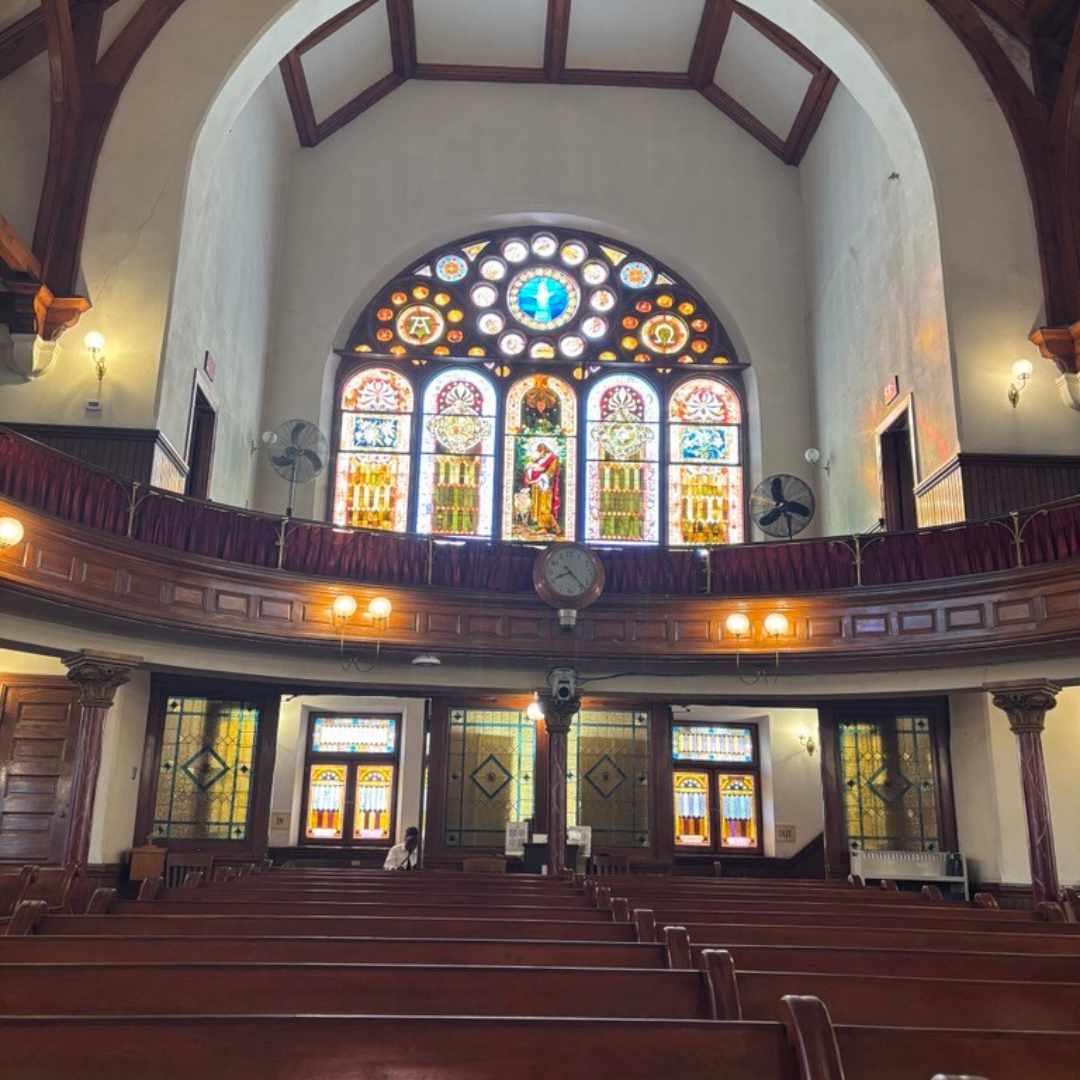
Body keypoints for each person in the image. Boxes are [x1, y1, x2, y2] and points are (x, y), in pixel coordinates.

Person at [522, 442, 561, 533]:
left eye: (540, 451)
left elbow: (550, 472)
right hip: (536, 486)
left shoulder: (553, 458)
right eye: (538, 452)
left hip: (545, 485)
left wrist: (536, 479)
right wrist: (529, 471)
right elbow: (533, 467)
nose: (540, 454)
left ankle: (553, 526)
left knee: (544, 506)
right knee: (538, 506)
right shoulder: (540, 459)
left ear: (544, 450)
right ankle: (542, 527)